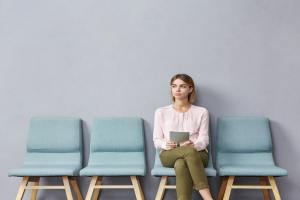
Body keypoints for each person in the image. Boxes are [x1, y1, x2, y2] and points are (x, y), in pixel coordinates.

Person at [153, 73, 214, 200]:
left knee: (181, 164)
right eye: (174, 86)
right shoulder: (161, 112)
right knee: (185, 155)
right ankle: (208, 198)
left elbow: (204, 139)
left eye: (182, 86)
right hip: (169, 153)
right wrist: (165, 144)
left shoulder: (202, 112)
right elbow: (156, 140)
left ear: (190, 89)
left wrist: (194, 145)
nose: (177, 90)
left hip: (198, 154)